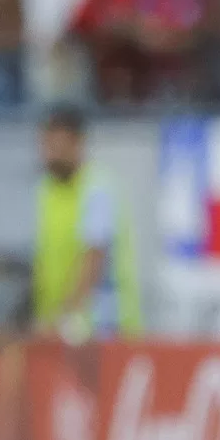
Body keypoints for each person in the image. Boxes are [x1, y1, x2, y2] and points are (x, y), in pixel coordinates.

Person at [33, 106, 141, 341]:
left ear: (76, 143)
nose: (49, 154)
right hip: (64, 328)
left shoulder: (96, 188)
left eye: (56, 146)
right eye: (45, 145)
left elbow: (94, 258)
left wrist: (66, 316)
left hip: (105, 327)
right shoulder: (48, 190)